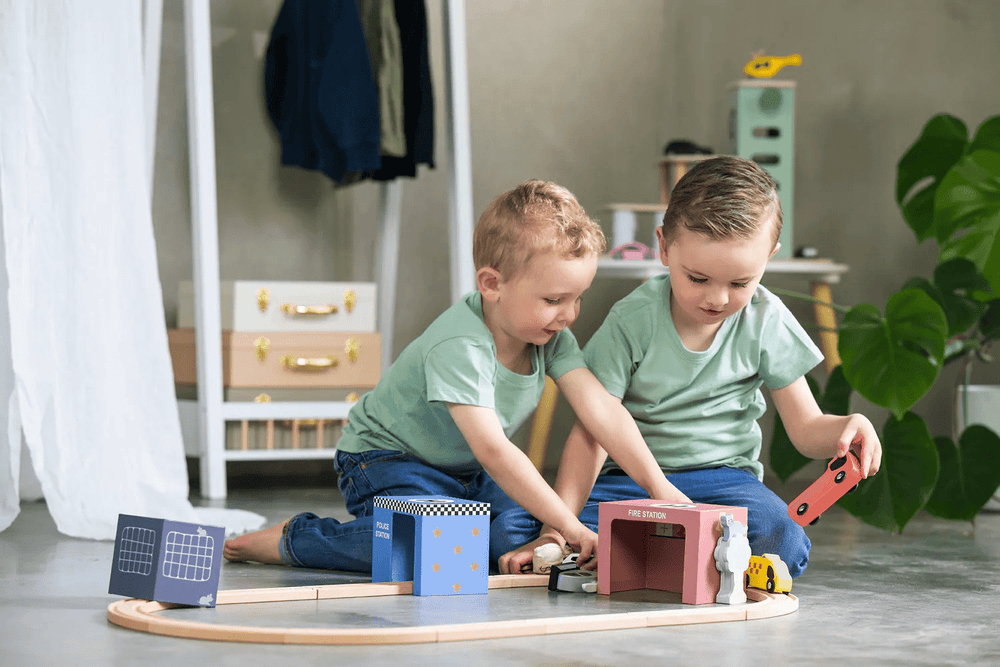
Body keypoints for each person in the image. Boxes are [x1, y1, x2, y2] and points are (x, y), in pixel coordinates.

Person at [224, 180, 688, 572]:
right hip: (386, 461)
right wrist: (568, 524)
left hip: (466, 474)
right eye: (553, 300)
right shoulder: (460, 346)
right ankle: (297, 539)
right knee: (432, 544)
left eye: (577, 299)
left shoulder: (550, 337)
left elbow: (601, 409)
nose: (568, 315)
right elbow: (494, 449)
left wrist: (659, 487)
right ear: (492, 284)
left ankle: (468, 532)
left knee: (515, 535)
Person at [495, 156, 883, 577]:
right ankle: (691, 562)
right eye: (697, 278)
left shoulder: (767, 319)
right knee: (512, 531)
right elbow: (593, 431)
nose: (716, 299)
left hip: (725, 485)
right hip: (629, 483)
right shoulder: (632, 319)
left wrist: (847, 427)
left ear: (769, 257)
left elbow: (806, 429)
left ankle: (650, 558)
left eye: (739, 283)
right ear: (664, 246)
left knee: (781, 535)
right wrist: (557, 529)